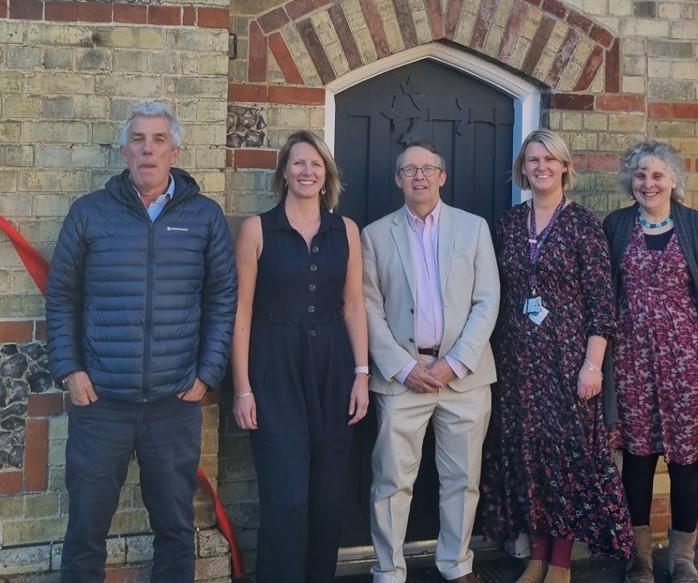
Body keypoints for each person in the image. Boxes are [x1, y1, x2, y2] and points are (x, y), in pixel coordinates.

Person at [46, 102, 237, 583]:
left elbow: (222, 298)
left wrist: (208, 373)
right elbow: (62, 295)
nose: (147, 149)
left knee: (175, 528)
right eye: (138, 139)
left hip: (174, 403)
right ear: (124, 150)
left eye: (157, 140)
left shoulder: (204, 217)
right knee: (86, 527)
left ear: (175, 150)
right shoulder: (90, 213)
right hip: (101, 402)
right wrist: (71, 369)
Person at [480, 129, 634, 583]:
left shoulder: (584, 225)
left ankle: (561, 562)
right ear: (522, 169)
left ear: (565, 166)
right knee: (528, 461)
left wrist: (592, 366)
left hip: (568, 365)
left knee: (565, 461)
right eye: (532, 160)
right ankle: (536, 556)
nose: (541, 166)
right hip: (516, 364)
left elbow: (602, 305)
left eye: (549, 159)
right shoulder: (508, 224)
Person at [603, 140, 698, 583]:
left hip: (687, 363)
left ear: (674, 180)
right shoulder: (616, 225)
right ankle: (639, 556)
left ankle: (683, 556)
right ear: (631, 181)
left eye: (657, 175)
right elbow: (604, 298)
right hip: (631, 364)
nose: (648, 183)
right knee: (638, 461)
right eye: (640, 175)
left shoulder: (696, 227)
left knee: (685, 462)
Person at [231, 130, 369, 582]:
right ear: (284, 172)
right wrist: (243, 388)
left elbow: (353, 305)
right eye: (298, 163)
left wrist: (362, 374)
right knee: (286, 496)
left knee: (328, 496)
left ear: (326, 174)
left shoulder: (345, 230)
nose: (307, 171)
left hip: (333, 369)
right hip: (274, 369)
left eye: (315, 164)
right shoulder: (257, 228)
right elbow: (242, 310)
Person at [361, 141, 500, 583]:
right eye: (409, 170)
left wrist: (455, 362)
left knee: (462, 481)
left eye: (427, 169)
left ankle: (456, 565)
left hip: (464, 378)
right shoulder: (375, 235)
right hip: (403, 378)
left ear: (442, 175)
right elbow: (369, 308)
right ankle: (388, 570)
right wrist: (403, 367)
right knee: (391, 483)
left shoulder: (474, 228)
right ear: (398, 179)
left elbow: (487, 300)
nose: (418, 176)